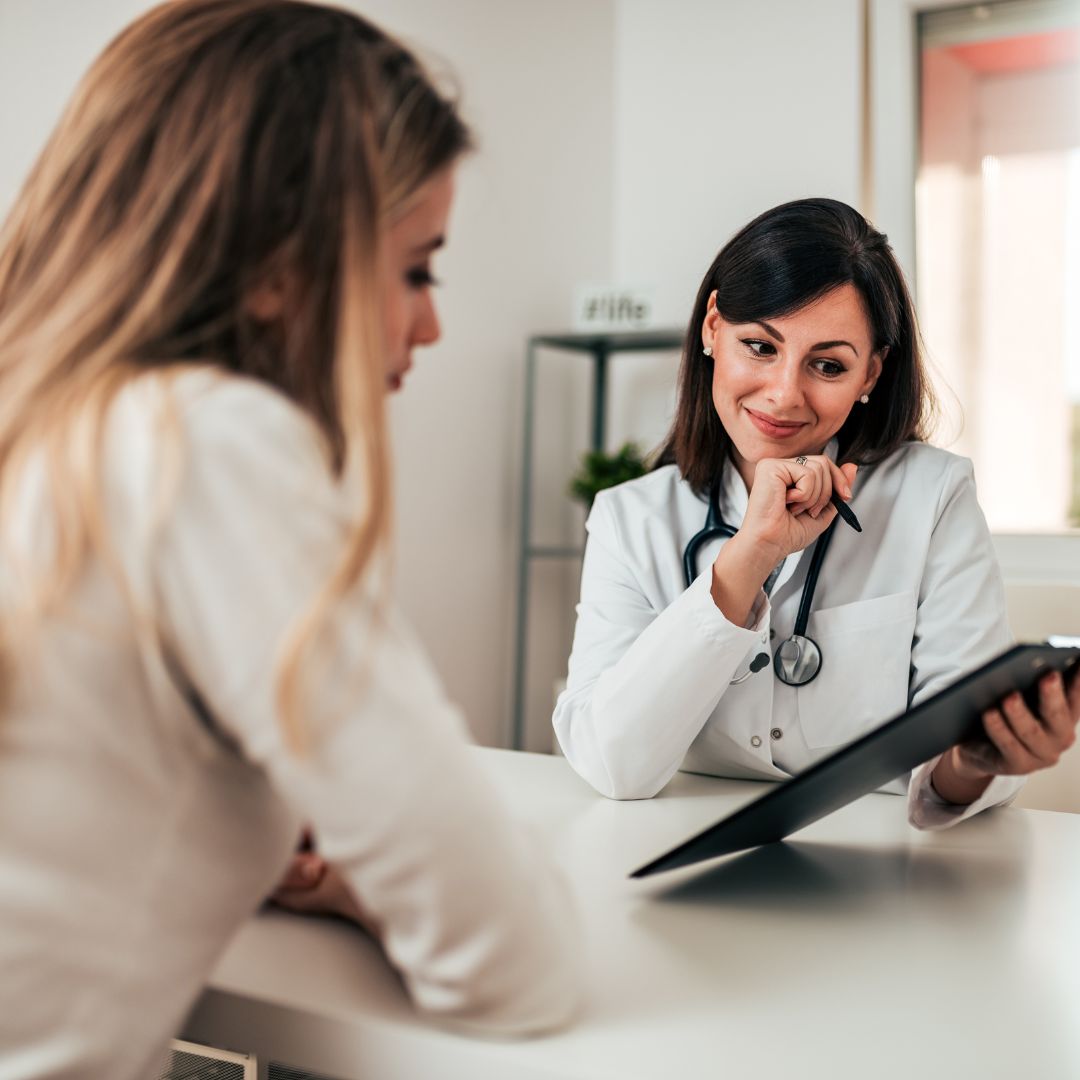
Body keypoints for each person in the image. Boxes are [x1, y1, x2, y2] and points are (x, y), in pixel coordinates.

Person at [0, 3, 579, 1076]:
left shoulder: (45, 429)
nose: (433, 323)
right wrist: (372, 880)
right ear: (275, 264)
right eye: (418, 268)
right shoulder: (203, 441)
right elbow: (513, 960)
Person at [553, 197, 1079, 822]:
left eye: (827, 365)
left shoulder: (933, 496)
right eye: (759, 346)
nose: (783, 394)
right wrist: (748, 557)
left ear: (870, 376)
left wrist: (975, 762)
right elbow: (614, 764)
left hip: (882, 871)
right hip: (674, 848)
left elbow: (949, 754)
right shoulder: (629, 518)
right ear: (712, 327)